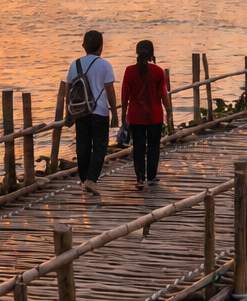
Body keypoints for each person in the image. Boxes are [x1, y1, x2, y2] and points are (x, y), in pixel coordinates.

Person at [65, 30, 117, 195]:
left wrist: (69, 111)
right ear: (101, 47)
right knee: (100, 147)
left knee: (83, 146)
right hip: (100, 112)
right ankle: (91, 179)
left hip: (81, 111)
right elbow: (110, 90)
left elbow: (69, 90)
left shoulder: (75, 64)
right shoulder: (105, 65)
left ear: (83, 46)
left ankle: (84, 178)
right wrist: (114, 111)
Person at [120, 39, 174, 189]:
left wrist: (123, 114)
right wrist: (169, 111)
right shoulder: (157, 71)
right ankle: (151, 177)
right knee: (153, 147)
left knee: (138, 148)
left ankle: (139, 179)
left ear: (137, 53)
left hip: (135, 115)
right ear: (151, 54)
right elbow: (163, 94)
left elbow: (125, 95)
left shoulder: (129, 71)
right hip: (154, 116)